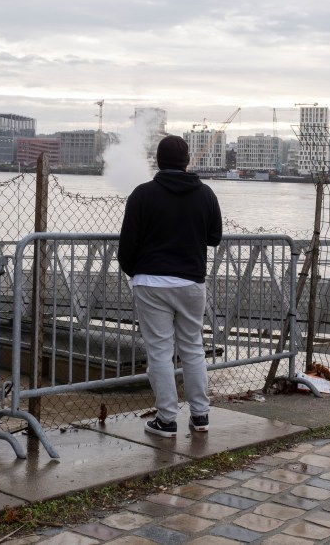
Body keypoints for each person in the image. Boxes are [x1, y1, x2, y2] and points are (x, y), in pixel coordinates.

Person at [118, 135, 223, 437]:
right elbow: (214, 237)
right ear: (187, 161)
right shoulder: (205, 194)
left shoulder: (142, 194)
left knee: (160, 353)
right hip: (191, 282)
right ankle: (200, 416)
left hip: (151, 282)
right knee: (193, 349)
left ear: (158, 161)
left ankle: (166, 420)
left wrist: (136, 272)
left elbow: (127, 245)